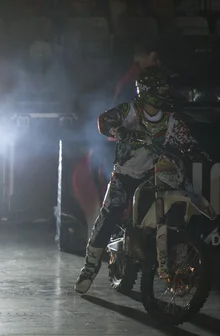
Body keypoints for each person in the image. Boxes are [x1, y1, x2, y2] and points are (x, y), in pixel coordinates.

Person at [74, 66, 207, 294]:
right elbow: (104, 121)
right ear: (147, 90)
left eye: (167, 88)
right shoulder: (130, 111)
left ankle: (179, 265)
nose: (165, 93)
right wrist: (121, 131)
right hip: (127, 175)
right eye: (161, 88)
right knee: (109, 214)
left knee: (180, 206)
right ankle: (89, 267)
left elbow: (186, 139)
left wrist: (195, 151)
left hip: (156, 175)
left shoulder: (171, 118)